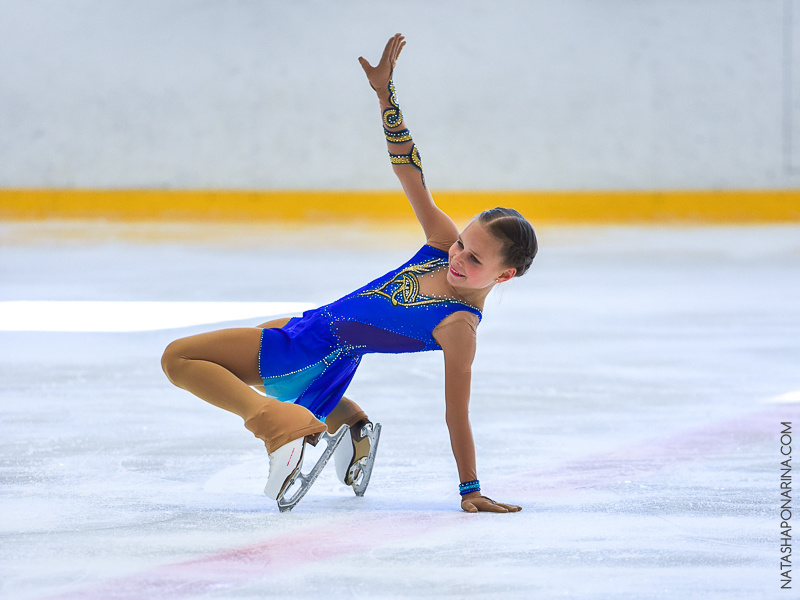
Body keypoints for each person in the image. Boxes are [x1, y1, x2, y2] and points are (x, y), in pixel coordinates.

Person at [161, 33, 536, 513]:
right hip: (325, 346)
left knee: (180, 360)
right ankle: (351, 423)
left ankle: (279, 427)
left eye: (475, 260)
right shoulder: (441, 245)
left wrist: (470, 489)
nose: (458, 258)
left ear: (504, 277)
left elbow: (456, 413)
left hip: (311, 349)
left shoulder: (459, 326)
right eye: (464, 242)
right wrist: (386, 95)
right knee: (257, 345)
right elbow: (408, 172)